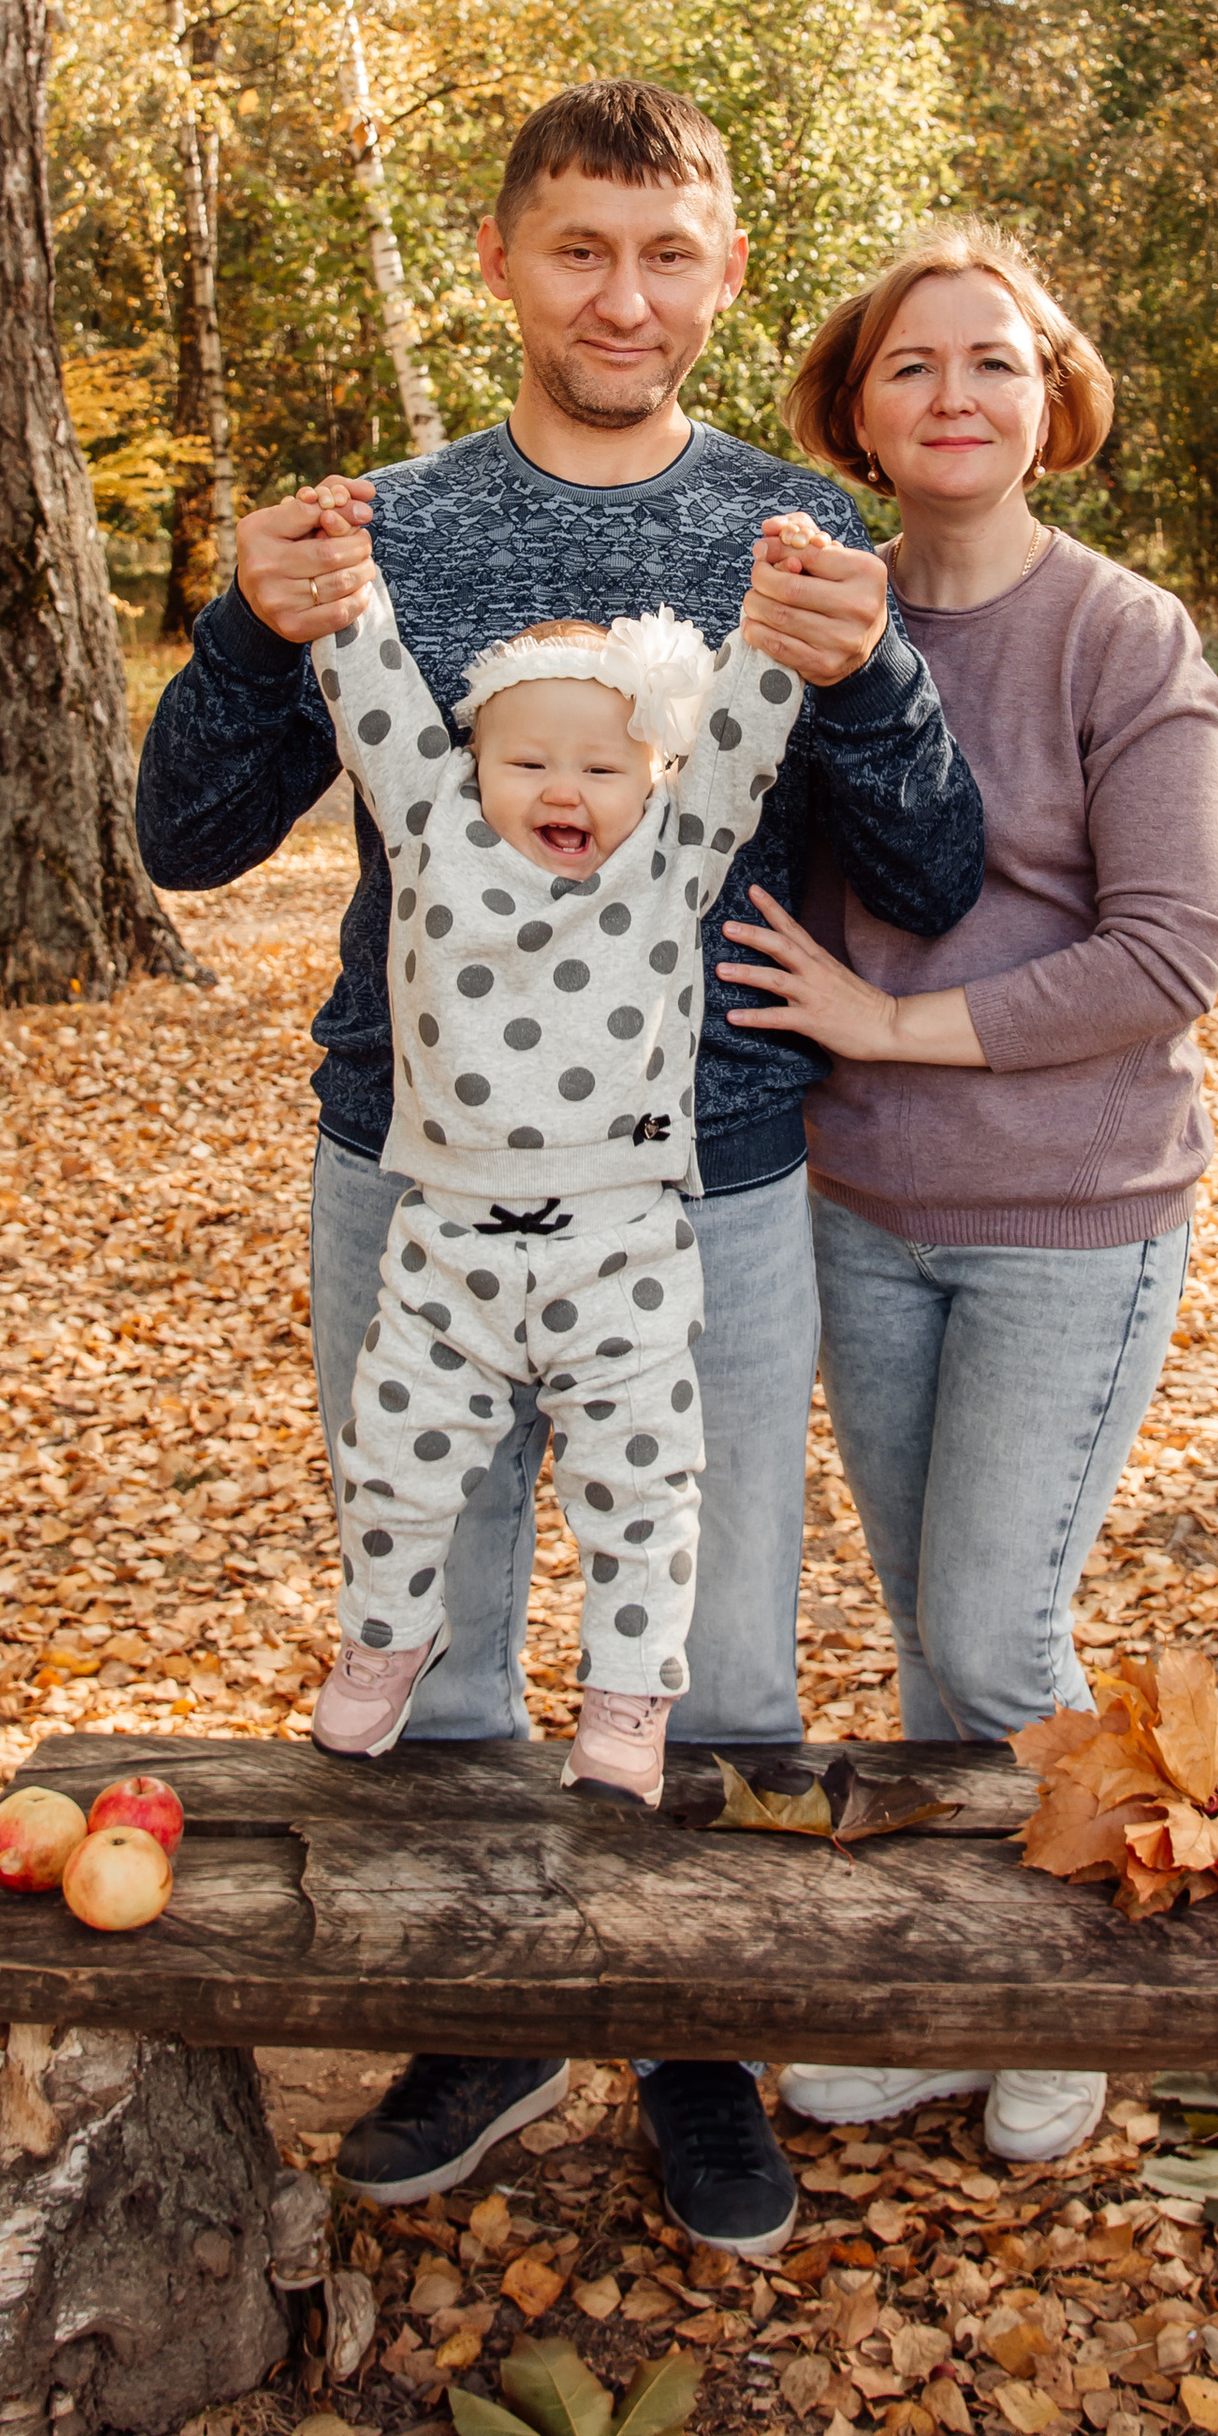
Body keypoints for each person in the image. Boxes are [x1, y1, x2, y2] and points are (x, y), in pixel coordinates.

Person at [134, 78, 984, 2255]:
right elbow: (184, 839)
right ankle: (486, 2017)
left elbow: (933, 871)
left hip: (704, 1186)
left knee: (707, 1646)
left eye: (668, 252)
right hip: (402, 1172)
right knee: (435, 1632)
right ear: (503, 259)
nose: (626, 295)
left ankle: (691, 2033)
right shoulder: (385, 527)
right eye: (581, 249)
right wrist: (243, 629)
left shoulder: (795, 531)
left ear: (719, 269)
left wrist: (871, 676)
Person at [715, 221, 1218, 2169]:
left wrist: (886, 1020)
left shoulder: (1121, 635)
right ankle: (953, 2001)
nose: (954, 394)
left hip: (1070, 1219)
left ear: (1052, 403)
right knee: (931, 1650)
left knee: (1000, 1632)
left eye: (993, 363)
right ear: (856, 409)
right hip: (859, 1212)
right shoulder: (818, 627)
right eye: (912, 365)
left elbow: (1171, 952)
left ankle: (1075, 2004)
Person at [303, 540, 806, 1804]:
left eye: (599, 766)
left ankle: (628, 1691)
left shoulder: (673, 855)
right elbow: (370, 691)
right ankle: (388, 1636)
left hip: (621, 1237)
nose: (561, 788)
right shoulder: (431, 828)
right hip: (445, 1239)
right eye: (526, 762)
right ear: (473, 763)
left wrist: (775, 617)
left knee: (640, 1484)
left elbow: (746, 726)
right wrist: (338, 581)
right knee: (393, 1465)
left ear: (655, 776)